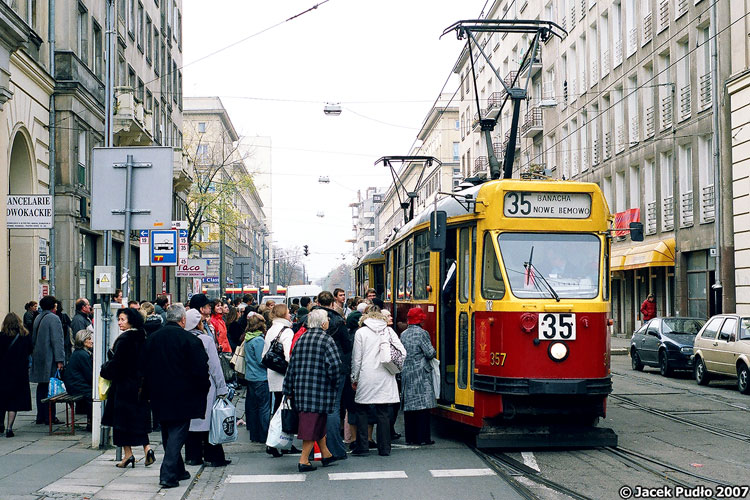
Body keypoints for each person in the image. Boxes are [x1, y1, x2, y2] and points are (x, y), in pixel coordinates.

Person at [142, 304, 210, 489]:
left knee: (167, 432)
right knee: (178, 433)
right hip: (183, 394)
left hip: (158, 393)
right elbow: (201, 369)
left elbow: (144, 367)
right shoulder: (190, 340)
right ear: (182, 320)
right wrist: (203, 389)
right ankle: (168, 474)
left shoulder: (153, 339)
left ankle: (178, 469)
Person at [282, 309, 342, 472]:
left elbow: (291, 367)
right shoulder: (327, 340)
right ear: (323, 323)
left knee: (318, 422)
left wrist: (287, 388)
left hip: (302, 389)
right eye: (327, 319)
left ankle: (326, 454)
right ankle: (304, 461)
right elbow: (335, 366)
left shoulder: (301, 339)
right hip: (320, 389)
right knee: (311, 425)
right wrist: (334, 383)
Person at [101, 308, 154, 468]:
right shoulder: (143, 337)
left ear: (131, 321)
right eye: (119, 319)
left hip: (123, 387)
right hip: (140, 386)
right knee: (138, 420)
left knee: (121, 423)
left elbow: (118, 364)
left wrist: (104, 369)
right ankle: (147, 449)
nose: (119, 322)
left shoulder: (124, 340)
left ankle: (128, 455)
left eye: (122, 319)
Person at [350, 306, 406, 457]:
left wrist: (354, 378)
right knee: (383, 412)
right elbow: (402, 351)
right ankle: (385, 447)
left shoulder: (361, 332)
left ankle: (363, 446)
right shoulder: (388, 330)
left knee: (362, 410)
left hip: (367, 375)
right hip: (386, 374)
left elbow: (357, 359)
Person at [184, 309, 231, 467]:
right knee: (209, 422)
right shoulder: (205, 340)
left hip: (187, 385)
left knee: (191, 422)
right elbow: (214, 366)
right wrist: (222, 388)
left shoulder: (182, 338)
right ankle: (214, 456)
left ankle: (192, 456)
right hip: (206, 384)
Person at [312, 291, 352, 461]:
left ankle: (315, 448)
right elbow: (347, 345)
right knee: (333, 407)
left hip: (315, 367)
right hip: (337, 367)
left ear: (318, 301)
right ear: (332, 302)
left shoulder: (310, 319)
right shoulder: (338, 320)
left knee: (316, 408)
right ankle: (334, 447)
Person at [400, 308, 436, 445]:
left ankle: (411, 438)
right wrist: (434, 351)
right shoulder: (422, 333)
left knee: (410, 407)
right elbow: (429, 353)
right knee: (423, 406)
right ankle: (423, 438)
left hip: (407, 371)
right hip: (421, 372)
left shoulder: (403, 334)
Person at [30, 295, 65, 425]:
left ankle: (41, 415)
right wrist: (60, 359)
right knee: (52, 387)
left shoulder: (38, 317)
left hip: (39, 356)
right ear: (53, 306)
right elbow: (57, 340)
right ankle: (50, 416)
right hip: (50, 358)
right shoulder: (53, 318)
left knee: (42, 387)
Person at [244, 314, 275, 453]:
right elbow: (261, 360)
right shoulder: (258, 341)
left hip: (250, 376)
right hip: (261, 377)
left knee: (255, 407)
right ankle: (263, 434)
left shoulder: (248, 338)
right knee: (264, 407)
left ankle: (255, 434)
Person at [0, 312, 33, 437]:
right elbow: (30, 351)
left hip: (3, 373)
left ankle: (1, 424)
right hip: (19, 373)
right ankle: (9, 428)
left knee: (2, 399)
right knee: (13, 402)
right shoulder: (25, 336)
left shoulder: (1, 337)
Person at [63, 330, 94, 432]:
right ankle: (91, 422)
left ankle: (91, 422)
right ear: (83, 341)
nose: (92, 341)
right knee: (93, 396)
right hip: (76, 386)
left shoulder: (80, 353)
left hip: (75, 384)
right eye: (89, 339)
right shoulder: (82, 355)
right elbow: (89, 375)